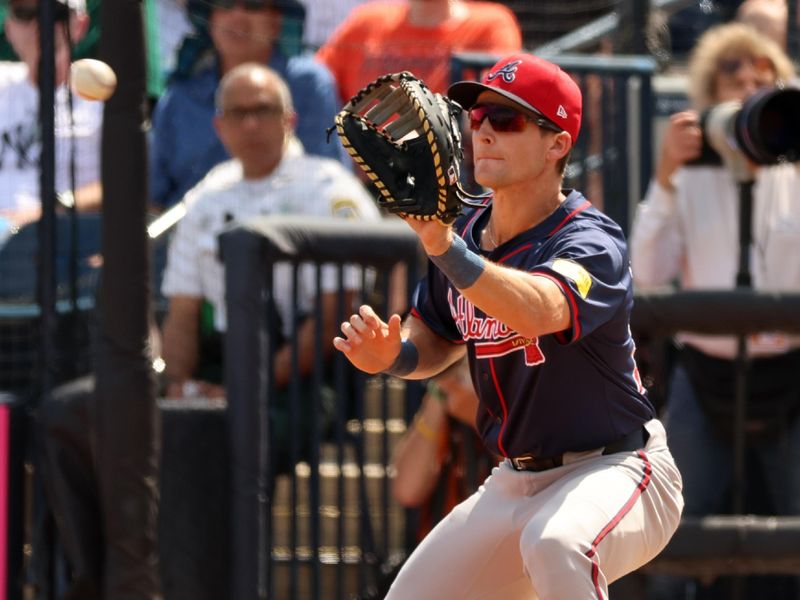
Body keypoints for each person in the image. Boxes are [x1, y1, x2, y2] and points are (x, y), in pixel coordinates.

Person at [333, 52, 684, 599]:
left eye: (508, 119)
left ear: (558, 143)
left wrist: (445, 247)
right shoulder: (467, 233)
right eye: (477, 118)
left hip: (617, 469)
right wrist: (395, 356)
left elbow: (540, 309)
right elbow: (437, 336)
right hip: (516, 479)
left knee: (559, 545)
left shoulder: (590, 238)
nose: (485, 132)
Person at [629, 23, 800, 600]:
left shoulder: (794, 169)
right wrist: (665, 181)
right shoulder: (690, 171)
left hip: (790, 377)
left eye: (763, 81)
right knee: (675, 533)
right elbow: (646, 277)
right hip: (702, 375)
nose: (749, 88)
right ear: (705, 95)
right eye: (734, 77)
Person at [160, 62, 380, 471]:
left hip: (306, 373)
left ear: (289, 120)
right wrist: (180, 386)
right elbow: (183, 310)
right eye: (237, 114)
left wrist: (240, 390)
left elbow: (337, 312)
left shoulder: (329, 190)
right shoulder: (207, 196)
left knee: (241, 435)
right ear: (219, 127)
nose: (250, 126)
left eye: (262, 111)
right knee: (160, 427)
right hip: (223, 357)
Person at [149, 0, 346, 210]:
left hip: (287, 234)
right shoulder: (179, 97)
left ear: (276, 21)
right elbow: (153, 196)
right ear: (210, 20)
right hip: (192, 236)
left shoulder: (309, 86)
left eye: (253, 6)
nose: (238, 16)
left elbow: (327, 182)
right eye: (225, 6)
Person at [0, 0, 101, 239]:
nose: (39, 24)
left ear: (81, 25)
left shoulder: (101, 98)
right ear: (8, 26)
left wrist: (47, 211)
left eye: (55, 13)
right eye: (25, 13)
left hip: (67, 243)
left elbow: (122, 182)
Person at [316, 0, 522, 103]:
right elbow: (313, 85)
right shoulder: (367, 22)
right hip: (359, 177)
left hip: (450, 176)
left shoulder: (489, 25)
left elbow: (496, 104)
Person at [390, 356, 495, 540]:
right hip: (450, 544)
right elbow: (406, 491)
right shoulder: (444, 399)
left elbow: (527, 482)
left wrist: (481, 418)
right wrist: (439, 394)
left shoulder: (515, 407)